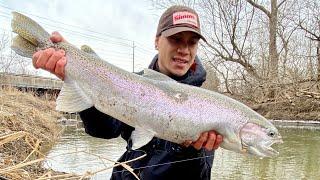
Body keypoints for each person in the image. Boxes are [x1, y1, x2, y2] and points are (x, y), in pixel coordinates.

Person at [32, 5, 223, 180]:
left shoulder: (204, 107)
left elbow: (201, 176)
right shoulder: (129, 84)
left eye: (192, 42)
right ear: (157, 41)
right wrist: (78, 73)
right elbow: (105, 130)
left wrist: (191, 150)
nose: (184, 49)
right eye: (176, 39)